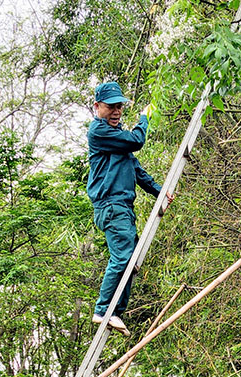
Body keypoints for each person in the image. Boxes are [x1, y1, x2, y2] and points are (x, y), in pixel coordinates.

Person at [86, 80, 173, 336]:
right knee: (122, 257)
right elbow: (137, 141)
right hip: (111, 205)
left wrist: (159, 192)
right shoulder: (100, 132)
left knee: (131, 261)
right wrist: (144, 118)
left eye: (120, 107)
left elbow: (136, 169)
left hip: (122, 206)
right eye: (111, 106)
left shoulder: (117, 140)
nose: (116, 111)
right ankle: (103, 310)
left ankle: (114, 311)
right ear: (97, 106)